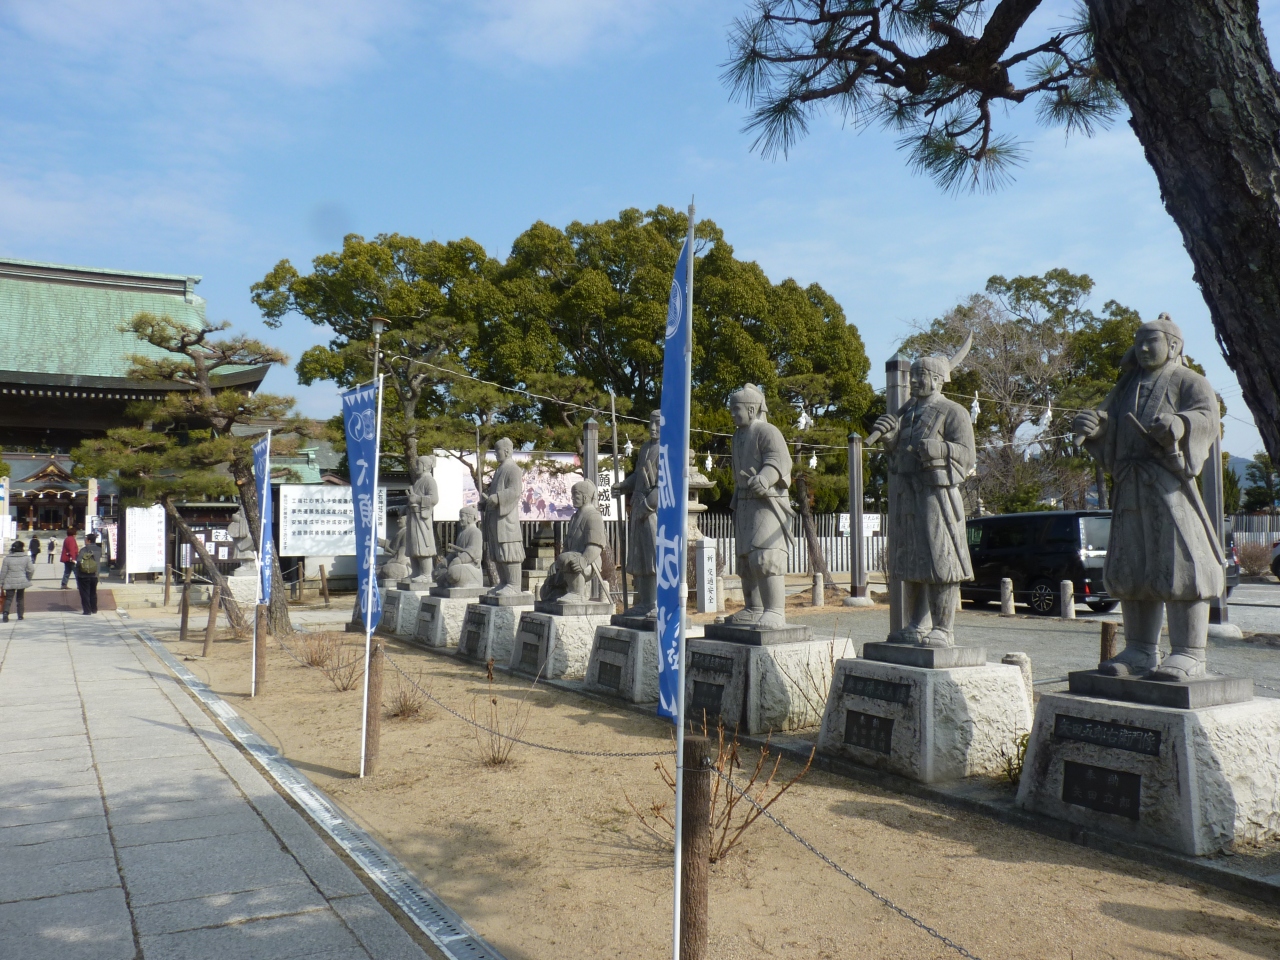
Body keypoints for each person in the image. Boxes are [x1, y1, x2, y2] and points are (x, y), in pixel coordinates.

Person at [1072, 314, 1223, 681]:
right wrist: (1093, 428)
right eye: (1138, 341)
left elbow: (1208, 417)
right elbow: (1108, 426)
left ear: (1173, 346)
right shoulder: (1126, 386)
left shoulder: (1189, 380)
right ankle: (1140, 649)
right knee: (1132, 565)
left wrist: (1181, 424)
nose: (1141, 348)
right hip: (1130, 486)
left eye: (1149, 341)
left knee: (1181, 565)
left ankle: (1189, 653)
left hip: (1169, 486)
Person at [872, 334, 976, 647]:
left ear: (937, 380)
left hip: (937, 496)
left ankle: (943, 629)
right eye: (913, 376)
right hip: (908, 493)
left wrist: (939, 448)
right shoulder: (908, 414)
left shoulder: (953, 411)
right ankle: (917, 624)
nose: (914, 381)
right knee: (912, 560)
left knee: (940, 559)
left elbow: (967, 455)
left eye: (920, 376)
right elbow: (896, 458)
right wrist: (890, 439)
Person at [725, 384, 795, 630]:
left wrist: (765, 478)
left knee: (765, 555)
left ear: (752, 409)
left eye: (736, 409)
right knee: (746, 559)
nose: (732, 413)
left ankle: (775, 610)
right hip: (745, 502)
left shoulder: (767, 431)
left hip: (767, 502)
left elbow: (779, 460)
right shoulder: (737, 436)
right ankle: (753, 608)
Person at [612, 410, 661, 618]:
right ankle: (646, 602)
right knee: (641, 558)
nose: (653, 428)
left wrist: (648, 506)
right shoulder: (645, 448)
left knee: (655, 557)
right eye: (651, 423)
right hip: (638, 504)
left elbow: (665, 485)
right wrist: (624, 486)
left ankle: (658, 603)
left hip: (654, 510)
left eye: (657, 423)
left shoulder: (669, 450)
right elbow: (638, 476)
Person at [540, 482, 608, 603]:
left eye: (575, 494)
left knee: (566, 559)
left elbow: (595, 545)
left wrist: (584, 559)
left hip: (589, 560)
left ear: (585, 497)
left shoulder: (593, 516)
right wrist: (557, 563)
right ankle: (560, 592)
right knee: (546, 591)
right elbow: (567, 546)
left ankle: (576, 593)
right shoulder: (575, 517)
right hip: (570, 557)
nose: (572, 498)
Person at [481, 438, 525, 597]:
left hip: (507, 518)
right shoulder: (499, 470)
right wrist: (485, 503)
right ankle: (504, 582)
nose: (495, 454)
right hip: (495, 517)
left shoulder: (513, 469)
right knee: (498, 551)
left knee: (509, 549)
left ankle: (514, 584)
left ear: (506, 451)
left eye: (497, 450)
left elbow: (515, 491)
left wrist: (498, 498)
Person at [405, 454, 438, 582]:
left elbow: (434, 499)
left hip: (422, 518)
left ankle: (426, 574)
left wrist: (417, 499)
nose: (416, 467)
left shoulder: (429, 480)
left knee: (423, 544)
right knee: (413, 545)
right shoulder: (418, 481)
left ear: (424, 466)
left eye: (418, 464)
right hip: (413, 516)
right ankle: (416, 572)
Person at [435, 505, 484, 589]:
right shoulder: (461, 534)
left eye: (462, 517)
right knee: (436, 573)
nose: (460, 519)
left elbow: (473, 552)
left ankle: (451, 579)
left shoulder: (476, 532)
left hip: (471, 567)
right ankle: (449, 580)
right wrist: (445, 561)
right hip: (459, 565)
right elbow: (455, 552)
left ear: (469, 518)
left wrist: (459, 560)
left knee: (453, 572)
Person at [1, 540, 34, 621]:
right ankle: (20, 615)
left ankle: (5, 613)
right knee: (20, 598)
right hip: (21, 580)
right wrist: (28, 578)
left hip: (9, 581)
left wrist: (1, 582)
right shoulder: (26, 558)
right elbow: (31, 570)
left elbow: (3, 572)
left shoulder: (7, 559)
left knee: (8, 598)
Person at [75, 532, 102, 616]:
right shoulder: (99, 549)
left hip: (84, 575)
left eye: (85, 539)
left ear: (89, 541)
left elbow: (79, 561)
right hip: (95, 574)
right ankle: (94, 609)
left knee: (85, 593)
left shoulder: (83, 550)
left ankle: (87, 610)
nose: (85, 541)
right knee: (93, 592)